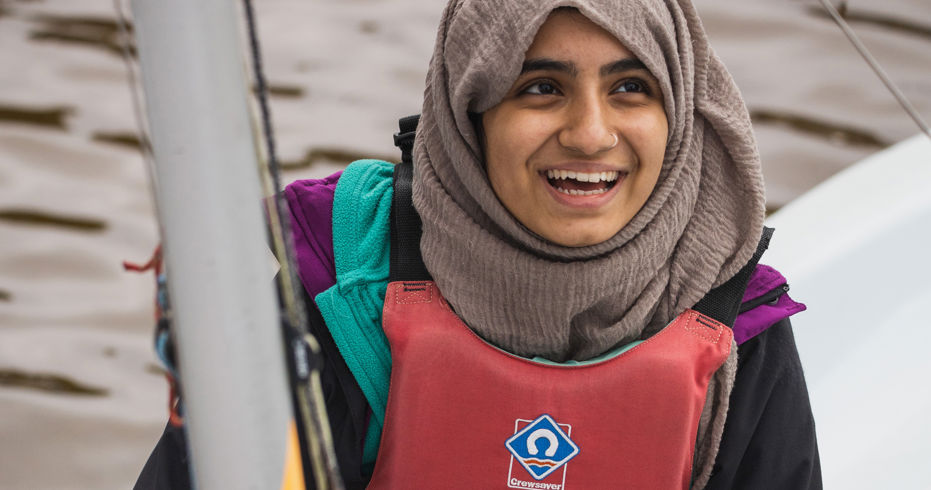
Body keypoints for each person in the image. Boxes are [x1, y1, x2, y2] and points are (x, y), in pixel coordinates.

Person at [136, 1, 821, 488]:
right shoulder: (335, 294)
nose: (589, 133)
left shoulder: (737, 323)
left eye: (631, 89)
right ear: (469, 117)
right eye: (540, 87)